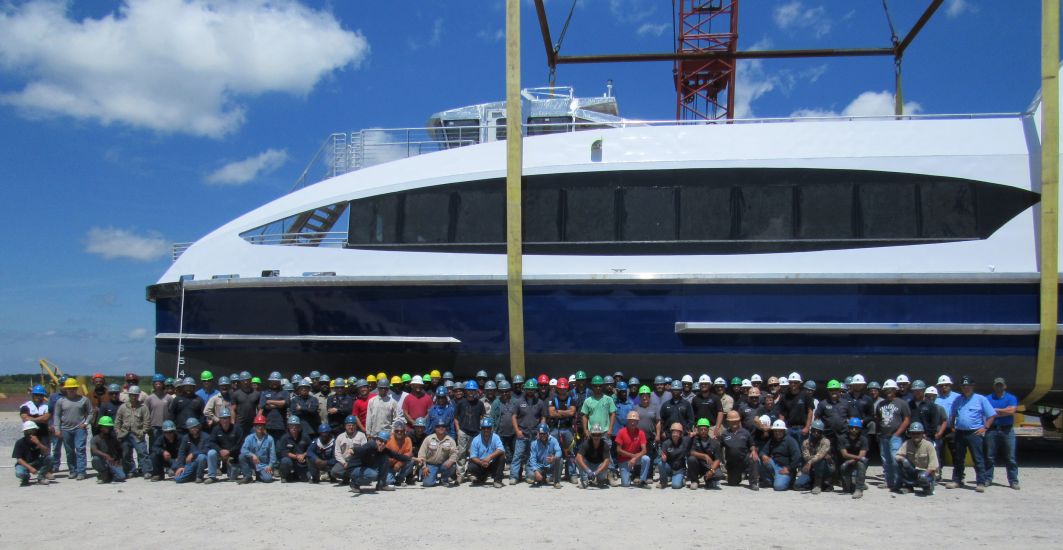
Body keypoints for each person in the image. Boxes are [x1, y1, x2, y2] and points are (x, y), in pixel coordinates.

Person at [947, 376, 997, 492]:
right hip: (960, 433)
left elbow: (991, 415)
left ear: (973, 386)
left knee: (978, 458)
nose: (966, 388)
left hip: (974, 433)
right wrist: (953, 426)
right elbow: (953, 414)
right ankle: (957, 480)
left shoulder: (980, 399)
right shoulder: (957, 399)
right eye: (963, 386)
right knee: (958, 458)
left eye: (968, 386)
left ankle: (980, 482)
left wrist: (985, 427)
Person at [347, 431, 412, 494]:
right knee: (373, 475)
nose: (383, 444)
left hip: (365, 467)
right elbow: (361, 449)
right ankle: (354, 483)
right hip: (354, 468)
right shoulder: (370, 445)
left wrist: (411, 459)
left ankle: (381, 485)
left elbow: (397, 456)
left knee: (385, 457)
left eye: (385, 442)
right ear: (376, 440)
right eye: (381, 441)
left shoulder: (383, 450)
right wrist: (353, 450)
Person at [53, 377, 93, 480]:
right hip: (65, 429)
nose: (71, 390)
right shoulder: (60, 401)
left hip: (80, 428)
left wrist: (86, 423)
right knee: (69, 451)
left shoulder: (84, 399)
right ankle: (73, 471)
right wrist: (57, 429)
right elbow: (56, 415)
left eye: (74, 388)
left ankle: (81, 471)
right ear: (66, 389)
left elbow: (90, 413)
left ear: (76, 388)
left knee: (80, 449)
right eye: (69, 388)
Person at [875, 379, 911, 490]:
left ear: (895, 390)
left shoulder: (902, 403)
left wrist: (897, 433)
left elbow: (906, 419)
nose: (888, 391)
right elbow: (878, 418)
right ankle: (889, 482)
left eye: (891, 389)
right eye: (886, 390)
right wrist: (879, 432)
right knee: (885, 460)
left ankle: (898, 482)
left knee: (896, 460)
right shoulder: (880, 404)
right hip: (883, 436)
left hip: (896, 437)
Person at [985, 377, 1020, 490]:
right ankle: (987, 478)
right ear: (994, 386)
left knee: (1011, 457)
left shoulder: (1011, 398)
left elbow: (1012, 411)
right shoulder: (987, 398)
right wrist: (1004, 410)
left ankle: (1013, 481)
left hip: (1007, 430)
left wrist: (996, 410)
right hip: (992, 429)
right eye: (997, 385)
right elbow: (986, 412)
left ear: (1005, 386)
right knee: (989, 456)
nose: (999, 387)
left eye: (1001, 385)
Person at [511, 379, 548, 483]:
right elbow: (514, 417)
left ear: (535, 390)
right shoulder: (519, 402)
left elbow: (543, 417)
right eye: (529, 389)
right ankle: (514, 476)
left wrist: (540, 432)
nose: (531, 391)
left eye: (532, 389)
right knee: (517, 456)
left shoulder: (540, 402)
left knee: (531, 456)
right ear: (525, 389)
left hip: (534, 434)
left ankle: (529, 476)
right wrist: (517, 431)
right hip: (522, 433)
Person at [114, 385, 151, 477]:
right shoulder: (123, 407)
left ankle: (147, 471)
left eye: (136, 395)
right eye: (132, 395)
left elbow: (147, 421)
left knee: (142, 453)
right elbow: (118, 421)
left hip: (138, 434)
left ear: (138, 396)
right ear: (129, 395)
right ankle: (130, 470)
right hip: (125, 434)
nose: (134, 397)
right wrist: (118, 432)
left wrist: (143, 432)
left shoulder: (143, 407)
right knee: (126, 453)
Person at [895, 421, 938, 495]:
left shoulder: (929, 445)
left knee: (923, 478)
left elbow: (934, 465)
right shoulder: (907, 443)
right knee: (899, 463)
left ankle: (927, 488)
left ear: (922, 434)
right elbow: (897, 455)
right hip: (913, 470)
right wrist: (903, 459)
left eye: (918, 433)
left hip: (925, 472)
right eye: (913, 433)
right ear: (910, 434)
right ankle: (908, 486)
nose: (916, 435)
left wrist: (925, 474)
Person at [720, 410, 759, 490]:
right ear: (728, 422)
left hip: (744, 459)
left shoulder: (745, 432)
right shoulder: (724, 434)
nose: (734, 423)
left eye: (736, 421)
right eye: (732, 421)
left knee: (753, 459)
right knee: (732, 483)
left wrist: (753, 451)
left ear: (739, 421)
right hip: (732, 463)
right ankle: (739, 476)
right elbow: (719, 447)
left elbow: (752, 444)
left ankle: (753, 483)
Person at [454, 380, 486, 477]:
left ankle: (472, 473)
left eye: (473, 390)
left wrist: (481, 430)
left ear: (476, 391)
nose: (471, 392)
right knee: (461, 454)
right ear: (466, 391)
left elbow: (482, 417)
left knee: (474, 454)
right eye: (469, 390)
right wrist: (458, 430)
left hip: (475, 433)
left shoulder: (480, 404)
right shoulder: (461, 403)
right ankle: (460, 475)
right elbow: (456, 417)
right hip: (463, 431)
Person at [549, 377, 578, 481]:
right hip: (555, 429)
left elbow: (572, 412)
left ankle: (572, 474)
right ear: (557, 388)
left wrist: (558, 412)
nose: (562, 390)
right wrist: (566, 412)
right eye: (560, 388)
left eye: (564, 388)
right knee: (553, 451)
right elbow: (551, 413)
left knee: (570, 452)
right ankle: (552, 474)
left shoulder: (572, 399)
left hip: (568, 429)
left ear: (567, 388)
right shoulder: (553, 399)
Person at [759, 419, 801, 491]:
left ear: (784, 431)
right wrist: (763, 455)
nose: (777, 433)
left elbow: (797, 457)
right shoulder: (772, 440)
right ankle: (769, 481)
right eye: (775, 431)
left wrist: (789, 468)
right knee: (759, 460)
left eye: (779, 431)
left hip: (785, 468)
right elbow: (762, 451)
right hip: (774, 464)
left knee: (779, 487)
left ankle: (789, 480)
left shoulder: (790, 441)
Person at [614, 410, 651, 488]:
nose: (633, 423)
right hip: (623, 460)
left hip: (635, 458)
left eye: (635, 421)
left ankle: (642, 481)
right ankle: (630, 475)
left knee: (646, 459)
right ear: (628, 421)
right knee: (626, 484)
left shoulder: (641, 433)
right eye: (631, 421)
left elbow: (644, 450)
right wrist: (632, 456)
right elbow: (618, 450)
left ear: (638, 422)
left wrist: (634, 458)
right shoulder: (621, 432)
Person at [795, 419, 833, 494]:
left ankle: (818, 485)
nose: (816, 433)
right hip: (810, 468)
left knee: (821, 460)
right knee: (797, 485)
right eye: (814, 431)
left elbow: (820, 455)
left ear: (822, 432)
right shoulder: (806, 442)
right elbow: (806, 457)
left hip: (825, 468)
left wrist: (811, 461)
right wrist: (816, 457)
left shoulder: (826, 442)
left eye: (818, 432)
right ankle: (812, 483)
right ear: (811, 431)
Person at [418, 419, 459, 487]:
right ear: (435, 428)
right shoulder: (428, 439)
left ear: (445, 428)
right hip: (430, 464)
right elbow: (421, 454)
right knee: (427, 484)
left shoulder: (450, 440)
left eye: (443, 426)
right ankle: (432, 477)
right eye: (438, 426)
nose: (441, 428)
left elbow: (455, 453)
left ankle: (444, 479)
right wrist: (424, 467)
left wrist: (451, 461)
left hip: (444, 465)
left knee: (453, 465)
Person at [206, 408, 243, 483]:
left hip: (233, 455)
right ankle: (212, 476)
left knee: (232, 478)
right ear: (220, 419)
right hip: (220, 454)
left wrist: (229, 452)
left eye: (226, 418)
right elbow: (211, 442)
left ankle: (236, 469)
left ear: (230, 418)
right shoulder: (216, 429)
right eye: (222, 418)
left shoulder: (237, 428)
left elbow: (240, 444)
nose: (224, 420)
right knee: (211, 453)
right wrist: (220, 450)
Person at [467, 418, 506, 487]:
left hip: (492, 463)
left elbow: (501, 449)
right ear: (481, 428)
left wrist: (489, 457)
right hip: (481, 464)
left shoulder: (496, 437)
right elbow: (473, 456)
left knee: (502, 457)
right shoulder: (476, 440)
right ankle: (481, 478)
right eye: (484, 428)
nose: (486, 430)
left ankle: (497, 481)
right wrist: (481, 462)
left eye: (488, 428)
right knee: (471, 466)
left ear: (491, 428)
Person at [13, 421, 54, 486]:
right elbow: (19, 459)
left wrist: (38, 443)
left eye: (33, 431)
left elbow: (46, 452)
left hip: (35, 462)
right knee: (19, 473)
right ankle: (26, 478)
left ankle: (41, 478)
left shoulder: (38, 440)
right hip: (24, 464)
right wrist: (30, 468)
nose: (31, 434)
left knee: (50, 458)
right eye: (29, 432)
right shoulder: (20, 442)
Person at [687, 418, 723, 489]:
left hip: (708, 466)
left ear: (708, 429)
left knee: (719, 475)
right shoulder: (693, 439)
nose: (703, 431)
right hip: (697, 465)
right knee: (691, 459)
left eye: (705, 429)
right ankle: (694, 481)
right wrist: (704, 456)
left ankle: (708, 479)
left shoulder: (715, 443)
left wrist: (711, 470)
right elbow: (691, 452)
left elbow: (718, 459)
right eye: (701, 429)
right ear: (698, 429)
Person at [239, 415, 276, 483]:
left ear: (264, 426)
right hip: (252, 463)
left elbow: (272, 455)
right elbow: (243, 450)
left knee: (268, 479)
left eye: (262, 425)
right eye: (258, 425)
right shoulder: (249, 438)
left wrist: (270, 466)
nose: (260, 427)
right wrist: (252, 455)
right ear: (255, 426)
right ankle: (248, 477)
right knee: (242, 456)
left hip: (263, 465)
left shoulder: (270, 439)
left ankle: (259, 475)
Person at [778, 372, 813, 443]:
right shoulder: (784, 397)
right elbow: (781, 414)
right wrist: (782, 428)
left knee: (801, 448)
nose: (793, 384)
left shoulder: (805, 395)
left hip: (802, 428)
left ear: (799, 383)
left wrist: (807, 427)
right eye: (791, 382)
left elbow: (810, 411)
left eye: (795, 382)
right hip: (789, 428)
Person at [332, 415, 368, 484]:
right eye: (349, 425)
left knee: (366, 473)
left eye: (353, 425)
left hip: (357, 461)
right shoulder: (340, 437)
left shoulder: (361, 435)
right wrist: (344, 463)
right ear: (345, 426)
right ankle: (347, 477)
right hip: (345, 461)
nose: (351, 427)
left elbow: (365, 450)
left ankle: (355, 478)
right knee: (334, 472)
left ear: (356, 426)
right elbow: (337, 453)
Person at [839, 417, 869, 498]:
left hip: (857, 462)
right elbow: (844, 454)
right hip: (846, 462)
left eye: (856, 428)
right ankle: (856, 484)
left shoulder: (863, 439)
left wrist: (850, 461)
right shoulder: (842, 438)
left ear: (860, 429)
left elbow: (862, 456)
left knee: (861, 464)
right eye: (852, 427)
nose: (854, 429)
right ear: (849, 428)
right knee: (847, 490)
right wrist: (849, 461)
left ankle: (859, 490)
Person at [90, 416, 126, 484]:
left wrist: (118, 460)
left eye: (109, 427)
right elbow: (95, 450)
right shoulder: (95, 439)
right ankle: (103, 473)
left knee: (122, 477)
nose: (108, 429)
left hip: (111, 461)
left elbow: (119, 450)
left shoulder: (113, 438)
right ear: (101, 427)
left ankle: (108, 475)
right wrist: (106, 455)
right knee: (95, 459)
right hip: (102, 460)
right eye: (106, 427)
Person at [580, 376, 617, 442]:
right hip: (591, 433)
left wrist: (610, 429)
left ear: (602, 386)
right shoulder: (587, 401)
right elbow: (584, 416)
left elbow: (613, 414)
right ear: (592, 387)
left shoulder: (609, 399)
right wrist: (585, 430)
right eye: (595, 386)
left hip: (605, 432)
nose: (598, 388)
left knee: (606, 448)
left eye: (600, 386)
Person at [175, 418, 210, 483]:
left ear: (199, 426)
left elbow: (207, 449)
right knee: (178, 479)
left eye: (196, 426)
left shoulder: (206, 436)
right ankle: (192, 475)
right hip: (191, 463)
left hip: (202, 461)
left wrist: (193, 454)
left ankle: (199, 477)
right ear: (188, 429)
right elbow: (181, 452)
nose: (194, 429)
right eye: (191, 428)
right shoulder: (186, 438)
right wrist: (180, 466)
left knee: (201, 457)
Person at [575, 424, 611, 488]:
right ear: (591, 435)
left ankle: (600, 480)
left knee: (606, 464)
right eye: (594, 435)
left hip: (599, 466)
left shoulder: (605, 445)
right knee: (577, 460)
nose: (596, 437)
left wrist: (596, 472)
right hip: (588, 465)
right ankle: (584, 480)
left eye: (598, 435)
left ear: (601, 435)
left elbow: (607, 461)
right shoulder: (586, 443)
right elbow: (578, 457)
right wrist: (588, 470)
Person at [277, 415, 311, 483]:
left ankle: (296, 475)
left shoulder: (305, 436)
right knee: (285, 461)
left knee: (306, 479)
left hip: (302, 461)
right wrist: (297, 456)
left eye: (296, 425)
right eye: (291, 425)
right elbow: (283, 452)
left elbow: (311, 449)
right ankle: (284, 476)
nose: (294, 428)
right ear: (288, 426)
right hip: (290, 461)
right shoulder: (284, 438)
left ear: (299, 427)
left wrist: (303, 455)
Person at [527, 423, 562, 488]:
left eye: (544, 433)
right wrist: (536, 471)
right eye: (541, 434)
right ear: (538, 433)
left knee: (559, 460)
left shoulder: (554, 440)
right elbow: (532, 459)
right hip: (540, 466)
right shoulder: (534, 444)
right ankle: (542, 479)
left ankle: (556, 482)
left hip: (551, 465)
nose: (543, 435)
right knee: (530, 476)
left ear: (548, 433)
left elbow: (559, 451)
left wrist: (554, 458)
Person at [143, 374, 173, 449]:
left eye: (160, 383)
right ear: (153, 385)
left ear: (163, 384)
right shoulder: (149, 398)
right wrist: (147, 427)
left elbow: (172, 413)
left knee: (166, 447)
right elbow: (145, 414)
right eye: (156, 384)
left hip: (166, 427)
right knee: (153, 447)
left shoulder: (169, 398)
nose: (158, 385)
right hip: (153, 427)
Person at [490, 380, 518, 463]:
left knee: (515, 451)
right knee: (503, 452)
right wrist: (493, 431)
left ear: (510, 391)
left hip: (513, 433)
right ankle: (506, 466)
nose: (504, 393)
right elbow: (493, 418)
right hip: (500, 433)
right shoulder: (496, 403)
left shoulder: (515, 402)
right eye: (502, 392)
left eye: (506, 391)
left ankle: (515, 468)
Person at [258, 372, 290, 441]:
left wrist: (270, 401)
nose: (274, 383)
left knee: (279, 446)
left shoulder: (285, 393)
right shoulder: (264, 393)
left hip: (281, 425)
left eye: (276, 381)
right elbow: (262, 406)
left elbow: (285, 403)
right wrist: (279, 405)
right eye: (273, 381)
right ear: (270, 381)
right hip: (267, 425)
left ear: (280, 381)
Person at [658, 422, 690, 489]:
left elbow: (694, 438)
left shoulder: (685, 441)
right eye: (674, 432)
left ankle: (681, 479)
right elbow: (662, 455)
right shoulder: (666, 443)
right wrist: (663, 458)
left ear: (681, 434)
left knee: (676, 486)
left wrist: (695, 433)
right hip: (669, 467)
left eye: (677, 433)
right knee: (661, 463)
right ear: (671, 433)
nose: (675, 435)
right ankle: (663, 482)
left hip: (679, 469)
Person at [385, 420, 415, 486]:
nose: (399, 432)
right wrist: (391, 463)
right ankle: (390, 478)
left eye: (401, 431)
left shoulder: (407, 439)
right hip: (388, 465)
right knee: (389, 482)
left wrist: (399, 463)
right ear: (394, 431)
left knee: (411, 461)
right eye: (397, 431)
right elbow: (385, 455)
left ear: (404, 431)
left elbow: (408, 454)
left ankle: (399, 479)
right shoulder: (389, 439)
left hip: (400, 462)